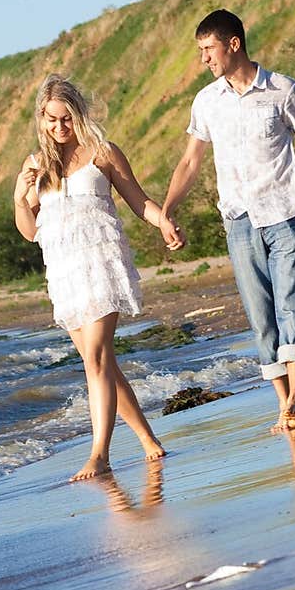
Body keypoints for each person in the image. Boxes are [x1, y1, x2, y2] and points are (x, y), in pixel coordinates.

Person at [162, 10, 295, 434]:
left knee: (293, 304)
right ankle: (283, 404)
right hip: (238, 220)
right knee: (261, 316)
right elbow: (190, 161)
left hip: (283, 213)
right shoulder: (206, 102)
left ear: (233, 44)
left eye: (209, 49)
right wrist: (167, 210)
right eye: (201, 50)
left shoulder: (282, 90)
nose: (204, 58)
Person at [14, 74, 180, 481]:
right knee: (102, 364)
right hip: (65, 272)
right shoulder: (36, 166)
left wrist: (164, 223)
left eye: (66, 118)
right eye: (51, 120)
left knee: (96, 359)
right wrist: (20, 197)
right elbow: (30, 230)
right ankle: (147, 440)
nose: (59, 128)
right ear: (41, 119)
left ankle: (99, 455)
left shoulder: (102, 153)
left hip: (102, 262)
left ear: (78, 114)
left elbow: (138, 200)